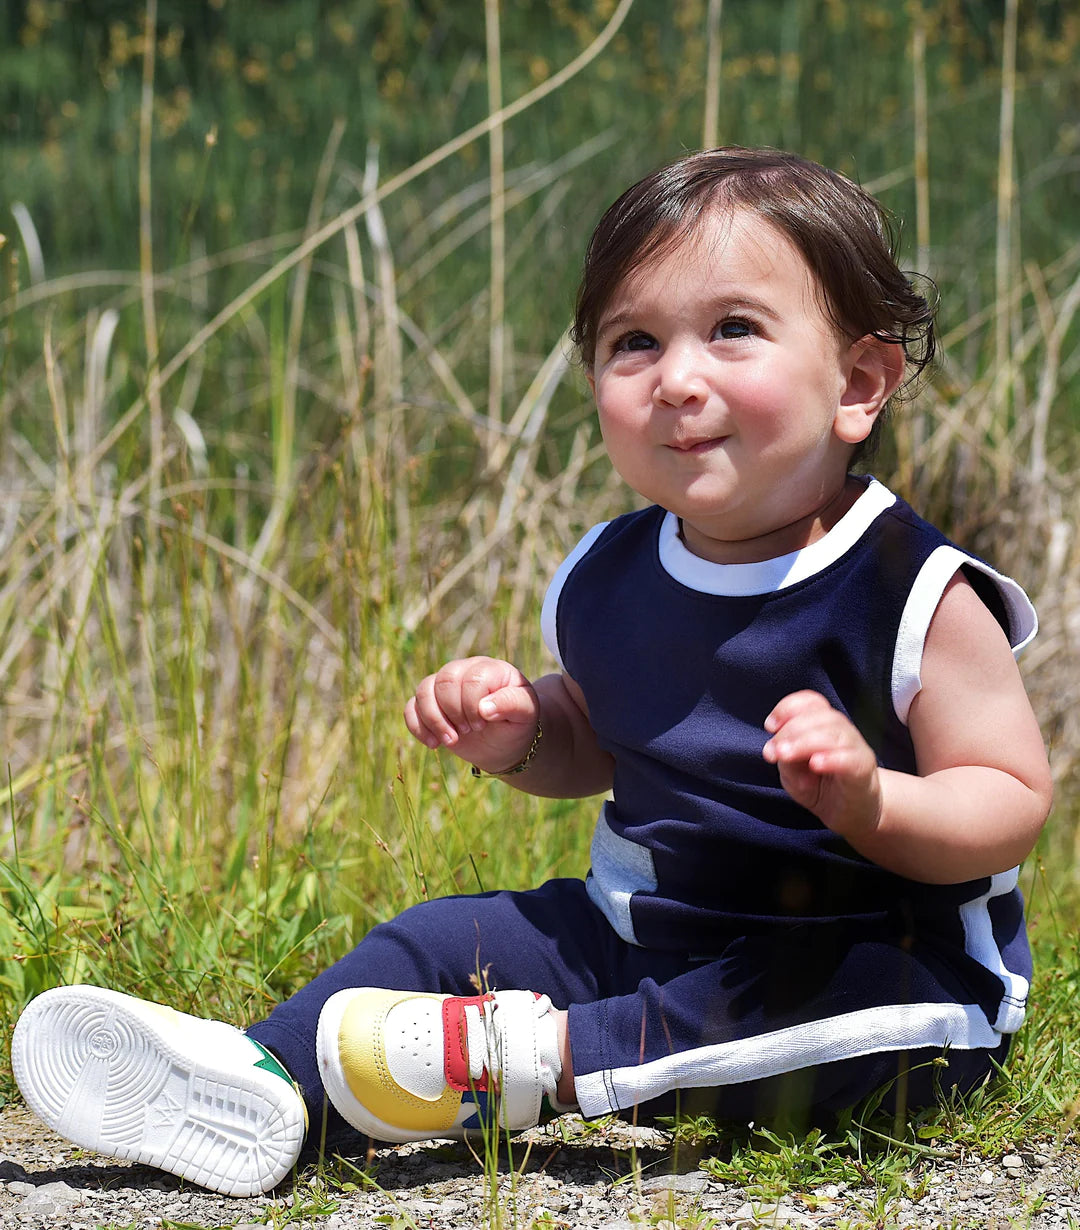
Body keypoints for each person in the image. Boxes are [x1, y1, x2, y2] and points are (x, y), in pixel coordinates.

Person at [12, 147, 1053, 1197]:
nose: (679, 379)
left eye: (734, 330)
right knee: (438, 938)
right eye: (633, 343)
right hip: (636, 933)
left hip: (863, 951)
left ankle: (535, 1063)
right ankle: (263, 1082)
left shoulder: (910, 590)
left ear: (860, 382)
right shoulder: (608, 574)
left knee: (847, 1010)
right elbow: (605, 738)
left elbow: (1008, 799)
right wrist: (526, 734)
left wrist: (872, 798)